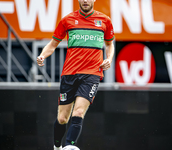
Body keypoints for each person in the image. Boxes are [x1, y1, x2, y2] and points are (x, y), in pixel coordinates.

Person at [37, 0, 115, 149]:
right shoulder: (67, 20)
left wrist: (109, 59)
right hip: (69, 74)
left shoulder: (105, 20)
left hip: (92, 74)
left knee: (78, 112)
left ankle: (70, 146)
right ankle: (57, 146)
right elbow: (53, 44)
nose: (85, 0)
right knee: (62, 118)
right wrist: (42, 56)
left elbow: (109, 44)